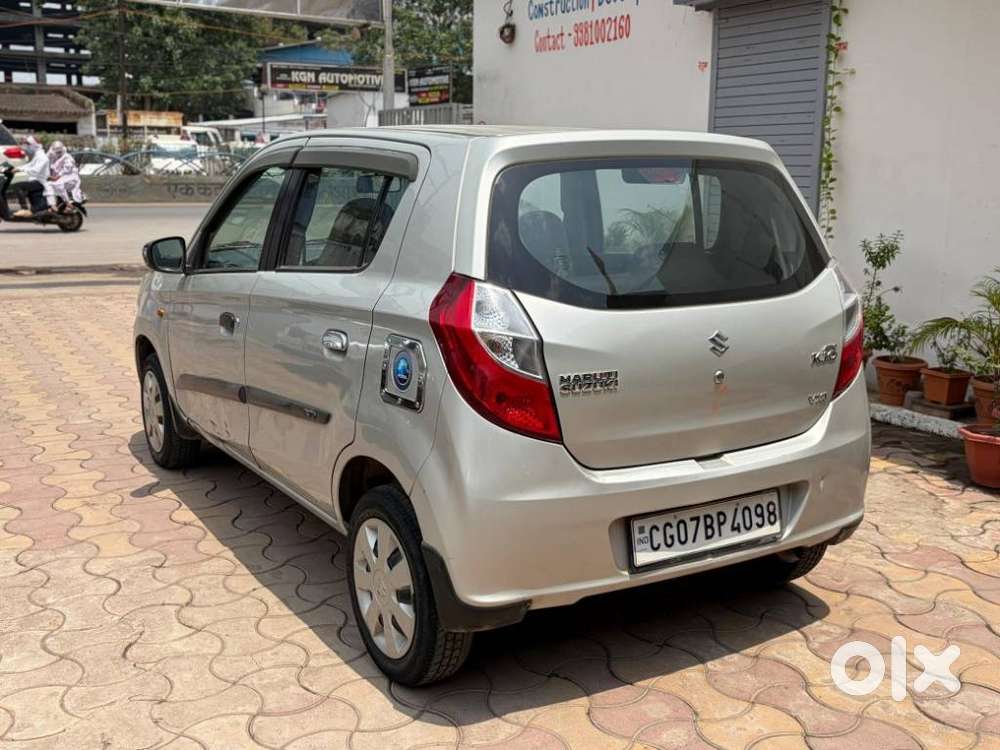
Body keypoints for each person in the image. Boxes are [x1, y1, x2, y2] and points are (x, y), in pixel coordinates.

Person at [12, 136, 50, 217]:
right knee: (22, 187)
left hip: (40, 182)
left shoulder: (42, 157)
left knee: (17, 186)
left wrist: (20, 170)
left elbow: (35, 170)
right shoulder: (37, 155)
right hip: (36, 180)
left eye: (28, 144)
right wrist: (17, 168)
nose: (27, 146)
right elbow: (30, 165)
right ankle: (33, 209)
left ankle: (24, 209)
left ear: (34, 145)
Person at [43, 141, 84, 212]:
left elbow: (68, 168)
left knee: (54, 185)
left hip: (70, 178)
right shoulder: (51, 153)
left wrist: (57, 177)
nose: (58, 153)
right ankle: (52, 205)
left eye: (59, 152)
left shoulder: (67, 157)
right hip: (58, 177)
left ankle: (66, 204)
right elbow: (44, 160)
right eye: (57, 152)